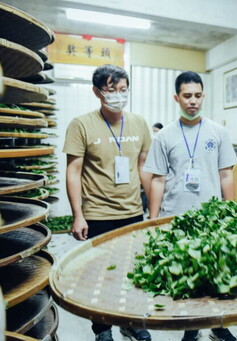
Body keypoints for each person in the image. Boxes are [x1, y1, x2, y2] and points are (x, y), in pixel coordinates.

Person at [143, 71, 237, 341]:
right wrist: (153, 220)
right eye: (187, 96)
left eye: (197, 95)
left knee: (217, 273)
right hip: (176, 218)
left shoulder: (218, 132)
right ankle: (191, 327)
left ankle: (219, 327)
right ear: (177, 98)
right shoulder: (164, 137)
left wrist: (230, 213)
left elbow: (226, 175)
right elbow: (158, 180)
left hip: (212, 218)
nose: (193, 101)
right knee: (187, 276)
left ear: (203, 96)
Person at [63, 64, 152, 341]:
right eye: (111, 90)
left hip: (132, 212)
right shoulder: (82, 124)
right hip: (98, 213)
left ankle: (131, 321)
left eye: (123, 90)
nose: (118, 96)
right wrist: (78, 215)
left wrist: (153, 212)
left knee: (134, 272)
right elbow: (73, 171)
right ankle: (102, 329)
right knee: (99, 275)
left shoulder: (139, 123)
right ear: (97, 92)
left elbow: (144, 167)